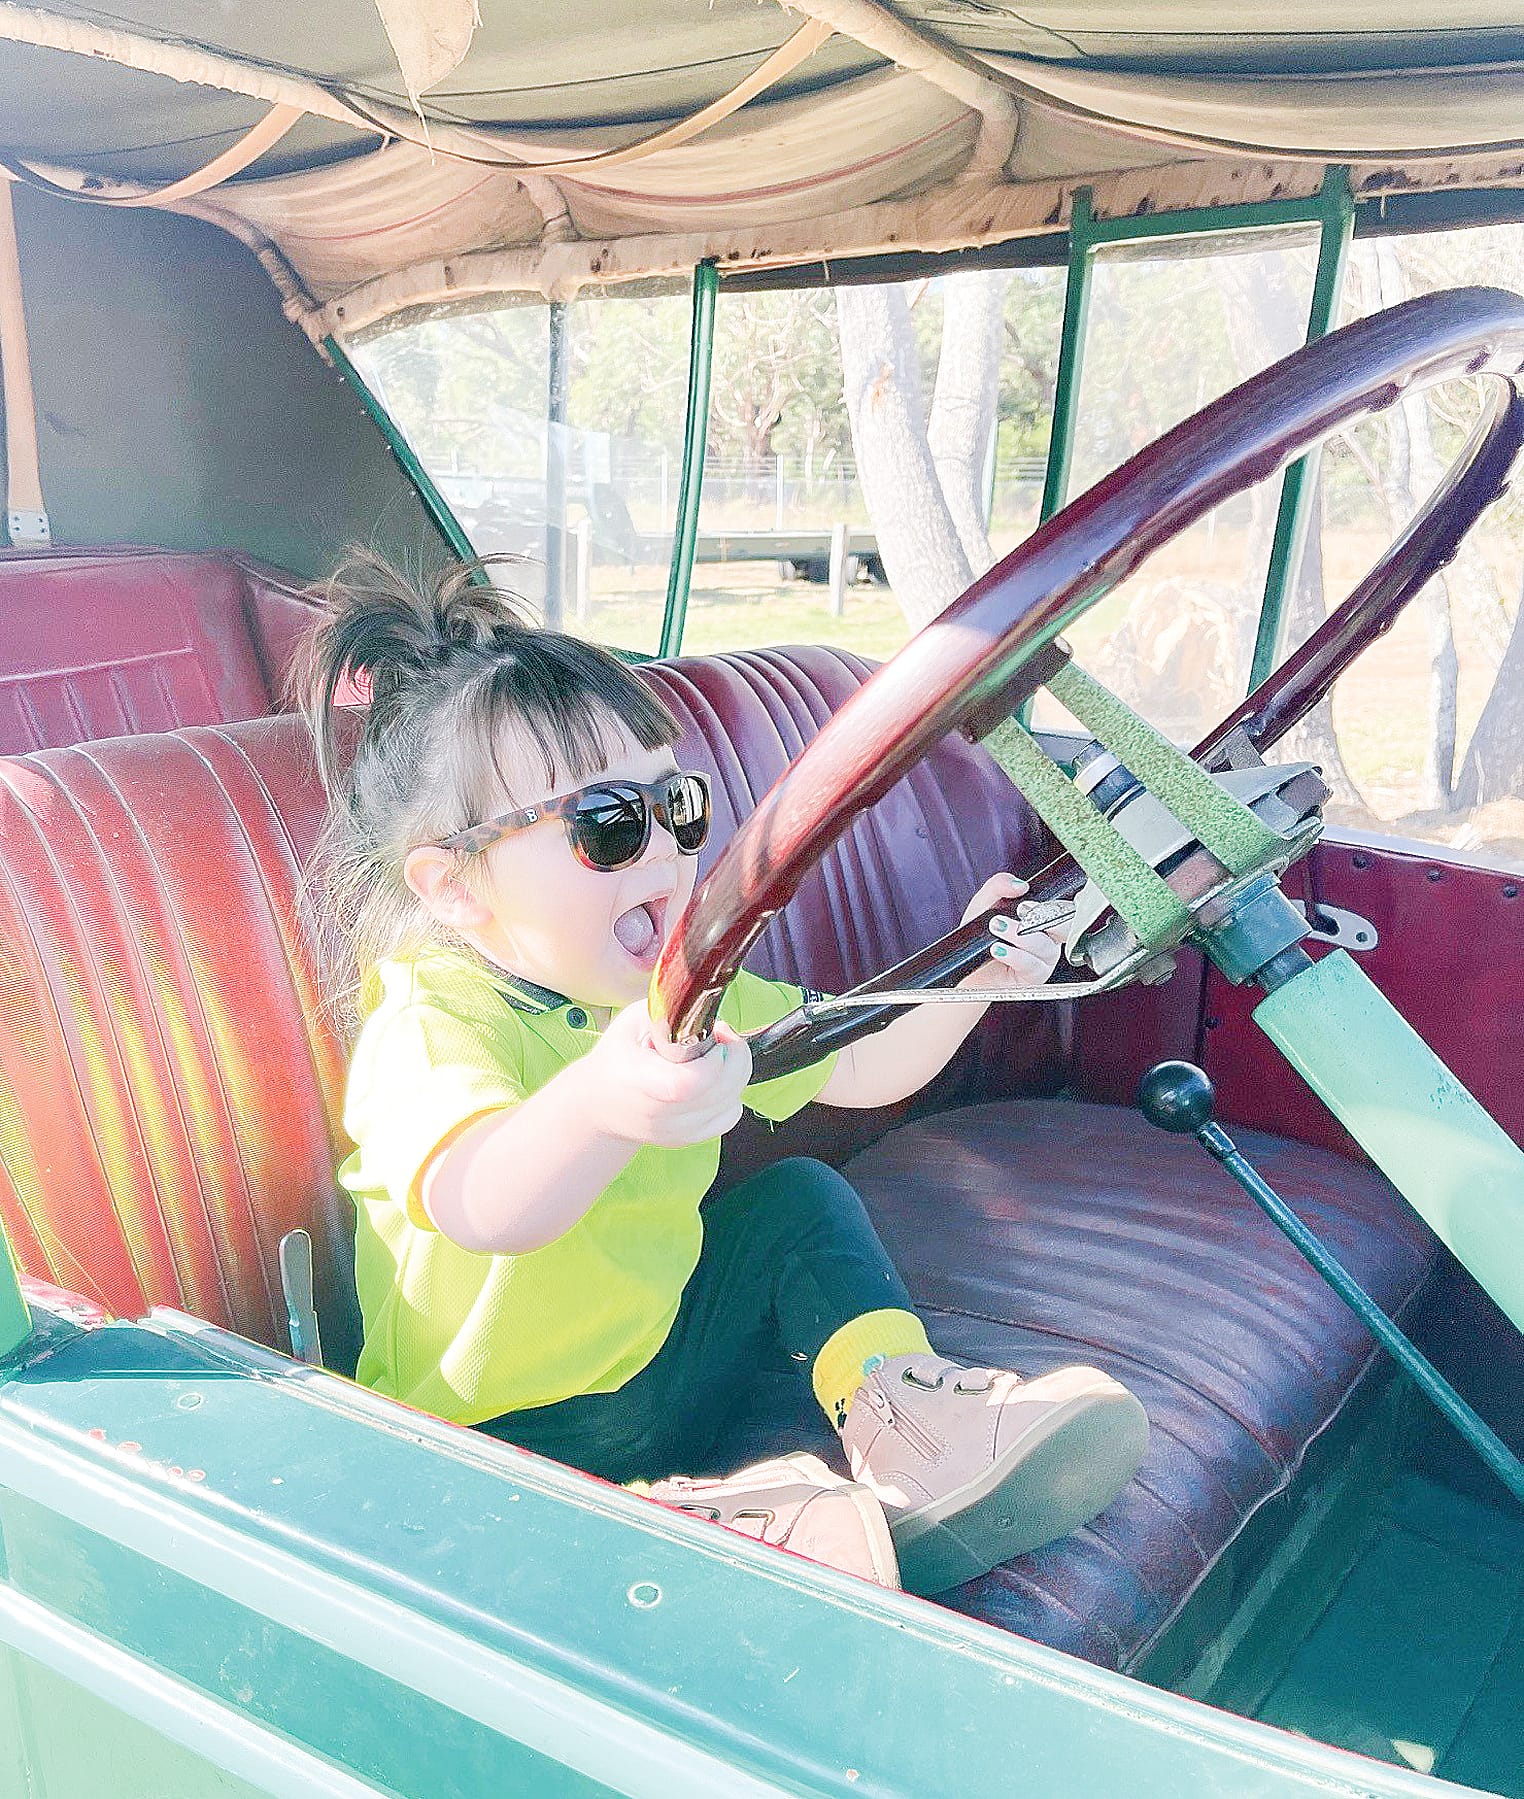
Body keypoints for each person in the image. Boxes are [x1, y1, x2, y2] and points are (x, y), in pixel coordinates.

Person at [299, 552, 1148, 1596]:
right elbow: (482, 1196)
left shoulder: (678, 982)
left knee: (799, 1201)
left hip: (663, 1354)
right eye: (608, 824)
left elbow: (863, 1064)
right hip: (500, 1430)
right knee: (542, 1480)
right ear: (456, 887)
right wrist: (603, 1102)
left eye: (679, 808)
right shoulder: (430, 1019)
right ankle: (707, 1534)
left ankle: (912, 1420)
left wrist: (977, 966)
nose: (664, 852)